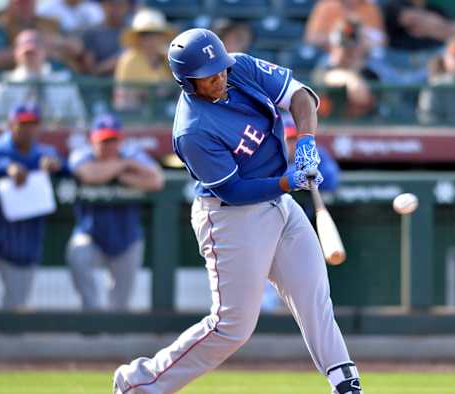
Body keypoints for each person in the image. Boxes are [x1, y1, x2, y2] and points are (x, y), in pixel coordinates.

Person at [112, 28, 364, 394]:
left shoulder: (238, 67)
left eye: (220, 68)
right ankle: (139, 384)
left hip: (280, 204)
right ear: (187, 82)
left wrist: (306, 141)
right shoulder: (192, 130)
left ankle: (345, 383)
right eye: (208, 76)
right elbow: (232, 188)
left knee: (314, 298)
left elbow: (302, 96)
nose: (219, 78)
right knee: (232, 327)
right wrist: (285, 182)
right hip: (231, 215)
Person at [66, 114, 164, 311]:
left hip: (127, 237)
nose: (109, 145)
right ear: (92, 140)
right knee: (77, 255)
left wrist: (120, 174)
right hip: (90, 234)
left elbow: (156, 180)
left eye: (113, 140)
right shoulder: (82, 154)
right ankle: (91, 315)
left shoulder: (133, 153)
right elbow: (88, 174)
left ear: (120, 140)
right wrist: (123, 168)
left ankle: (113, 336)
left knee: (120, 304)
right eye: (104, 140)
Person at [0, 103, 64, 310]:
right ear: (11, 124)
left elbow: (68, 167)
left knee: (13, 316)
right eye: (23, 124)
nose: (28, 129)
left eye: (33, 124)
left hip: (24, 242)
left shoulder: (45, 153)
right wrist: (5, 167)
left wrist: (56, 165)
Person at [0, 29, 87, 130]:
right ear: (16, 53)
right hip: (16, 141)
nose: (31, 56)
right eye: (27, 53)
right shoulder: (3, 84)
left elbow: (79, 121)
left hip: (57, 139)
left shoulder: (63, 82)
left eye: (35, 50)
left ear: (44, 51)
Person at [113, 7, 175, 112]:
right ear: (137, 38)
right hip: (134, 114)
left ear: (162, 36)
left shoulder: (167, 58)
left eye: (155, 34)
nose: (150, 39)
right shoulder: (128, 60)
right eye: (144, 34)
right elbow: (124, 95)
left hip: (164, 113)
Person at [383, 0, 455, 51]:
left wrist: (428, 28)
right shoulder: (395, 5)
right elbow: (413, 19)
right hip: (398, 62)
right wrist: (442, 30)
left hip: (431, 64)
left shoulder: (434, 8)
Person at [305, 0, 385, 49]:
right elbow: (312, 38)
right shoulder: (326, 6)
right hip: (329, 56)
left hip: (363, 60)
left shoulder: (371, 8)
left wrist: (361, 37)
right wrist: (337, 37)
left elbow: (381, 40)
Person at [79, 0, 131, 76]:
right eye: (111, 4)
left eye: (120, 5)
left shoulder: (135, 33)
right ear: (103, 6)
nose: (115, 9)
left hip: (129, 82)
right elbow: (90, 68)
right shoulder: (91, 32)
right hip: (99, 83)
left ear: (127, 7)